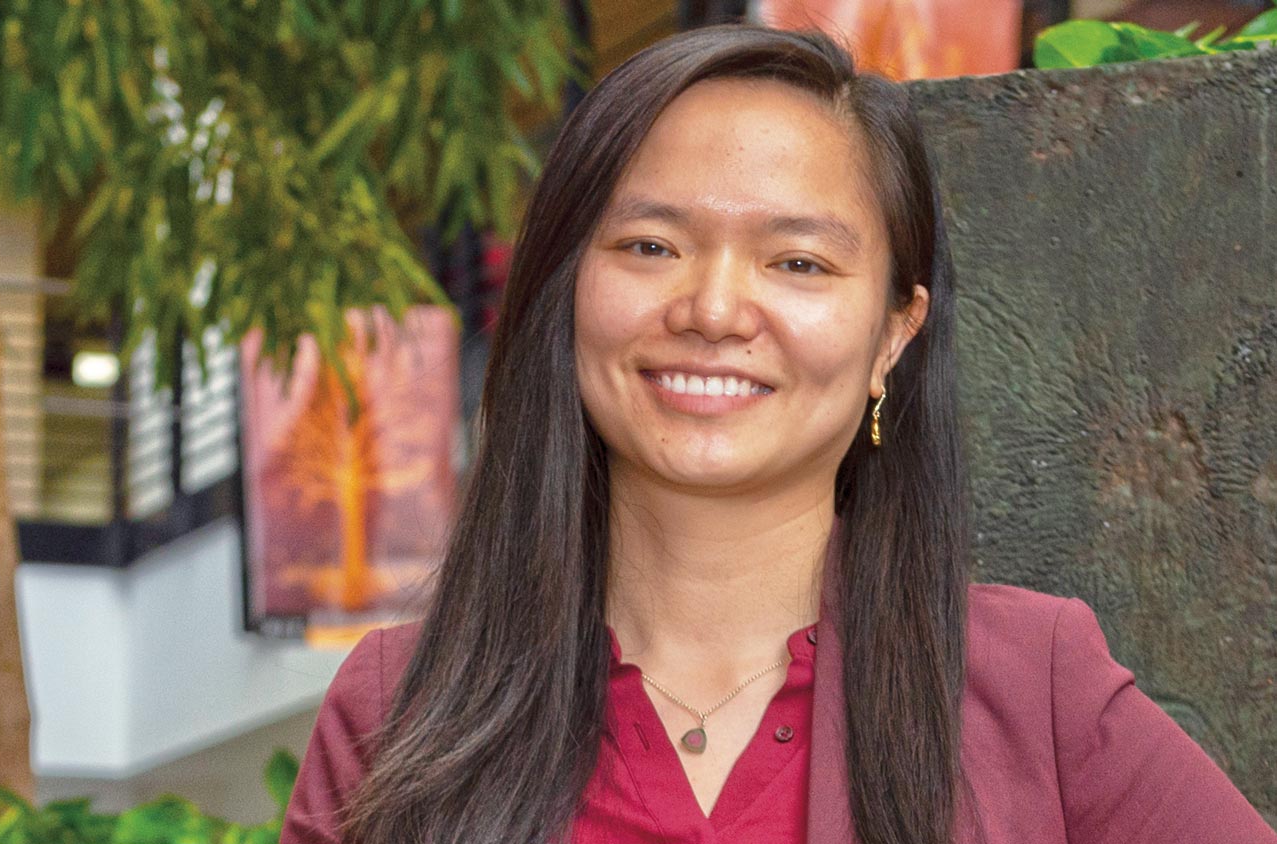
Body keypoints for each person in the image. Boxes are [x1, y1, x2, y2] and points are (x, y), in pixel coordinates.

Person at [278, 24, 1277, 844]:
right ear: (564, 290)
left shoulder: (1034, 686)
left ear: (893, 332)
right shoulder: (399, 708)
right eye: (649, 245)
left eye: (796, 263)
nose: (712, 307)